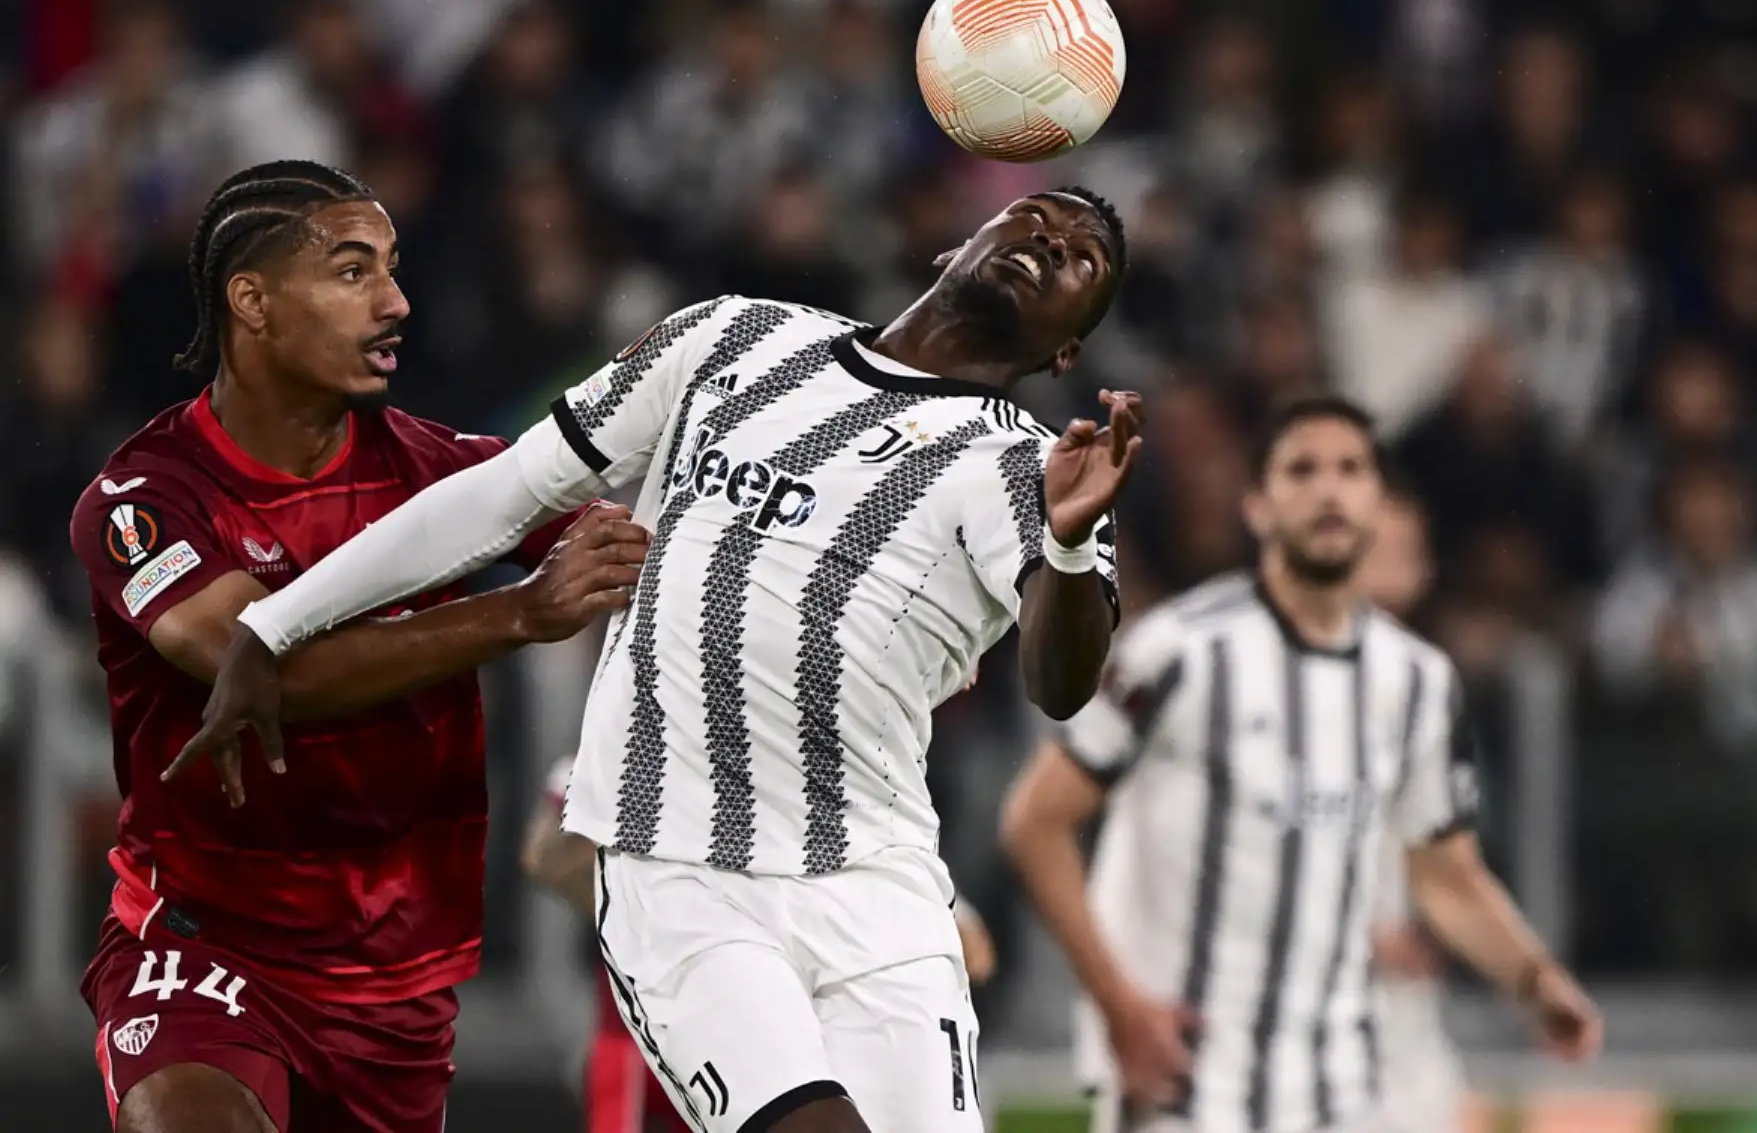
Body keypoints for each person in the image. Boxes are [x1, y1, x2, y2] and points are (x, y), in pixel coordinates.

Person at [180, 186, 1143, 1133]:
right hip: (677, 872)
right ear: (955, 245)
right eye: (1039, 219)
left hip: (880, 890)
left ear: (1068, 350)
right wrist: (279, 624)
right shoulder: (735, 336)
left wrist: (1065, 542)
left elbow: (1060, 686)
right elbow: (503, 493)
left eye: (1082, 258)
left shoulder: (1027, 467)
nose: (1053, 244)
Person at [74, 160, 649, 1133]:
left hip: (395, 987)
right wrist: (518, 613)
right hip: (204, 951)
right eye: (352, 272)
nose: (395, 302)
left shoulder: (450, 475)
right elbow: (261, 666)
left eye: (392, 269)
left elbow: (659, 557)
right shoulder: (145, 501)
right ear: (250, 300)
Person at [1000, 396, 1601, 1133]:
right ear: (1257, 506)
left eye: (1351, 469)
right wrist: (1120, 1008)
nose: (1328, 488)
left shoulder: (1416, 682)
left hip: (1340, 1094)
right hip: (1185, 1089)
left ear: (1380, 504)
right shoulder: (1180, 653)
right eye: (1302, 469)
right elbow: (1036, 822)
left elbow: (1447, 877)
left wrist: (1537, 981)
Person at [522, 756, 1001, 1133]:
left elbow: (977, 954)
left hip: (760, 1024)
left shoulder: (831, 803)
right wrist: (642, 899)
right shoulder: (629, 750)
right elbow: (542, 857)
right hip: (639, 1029)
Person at [1355, 492, 1468, 1133]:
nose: (1391, 569)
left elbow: (1448, 857)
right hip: (1282, 995)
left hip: (1401, 1005)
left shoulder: (1426, 685)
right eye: (1377, 549)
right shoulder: (1252, 674)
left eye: (1406, 552)